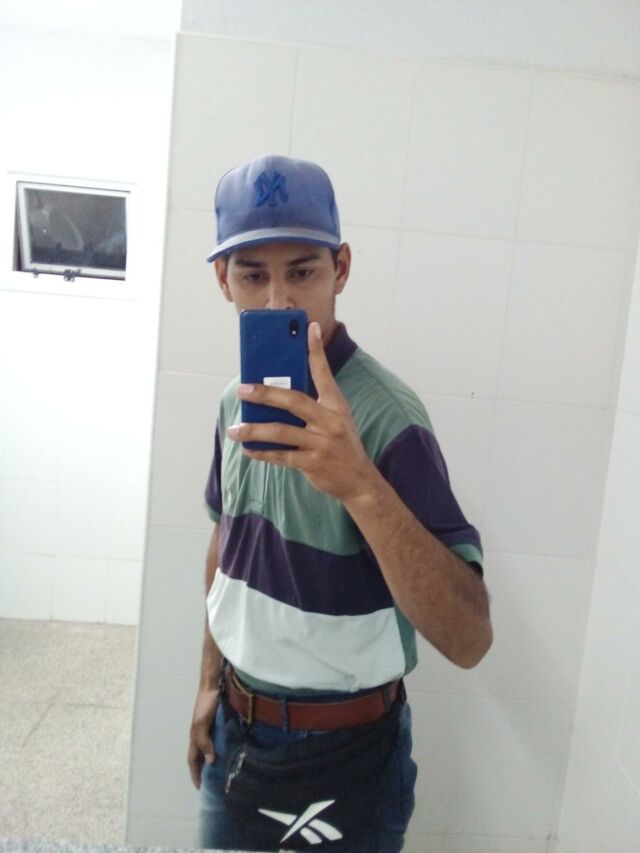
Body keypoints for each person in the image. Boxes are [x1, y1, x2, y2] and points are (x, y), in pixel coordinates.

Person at [187, 154, 493, 852]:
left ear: (341, 268)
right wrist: (207, 681)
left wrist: (359, 483)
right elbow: (226, 545)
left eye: (302, 272)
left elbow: (470, 638)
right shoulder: (236, 402)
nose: (278, 303)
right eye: (253, 275)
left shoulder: (387, 417)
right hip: (235, 725)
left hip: (347, 753)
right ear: (222, 279)